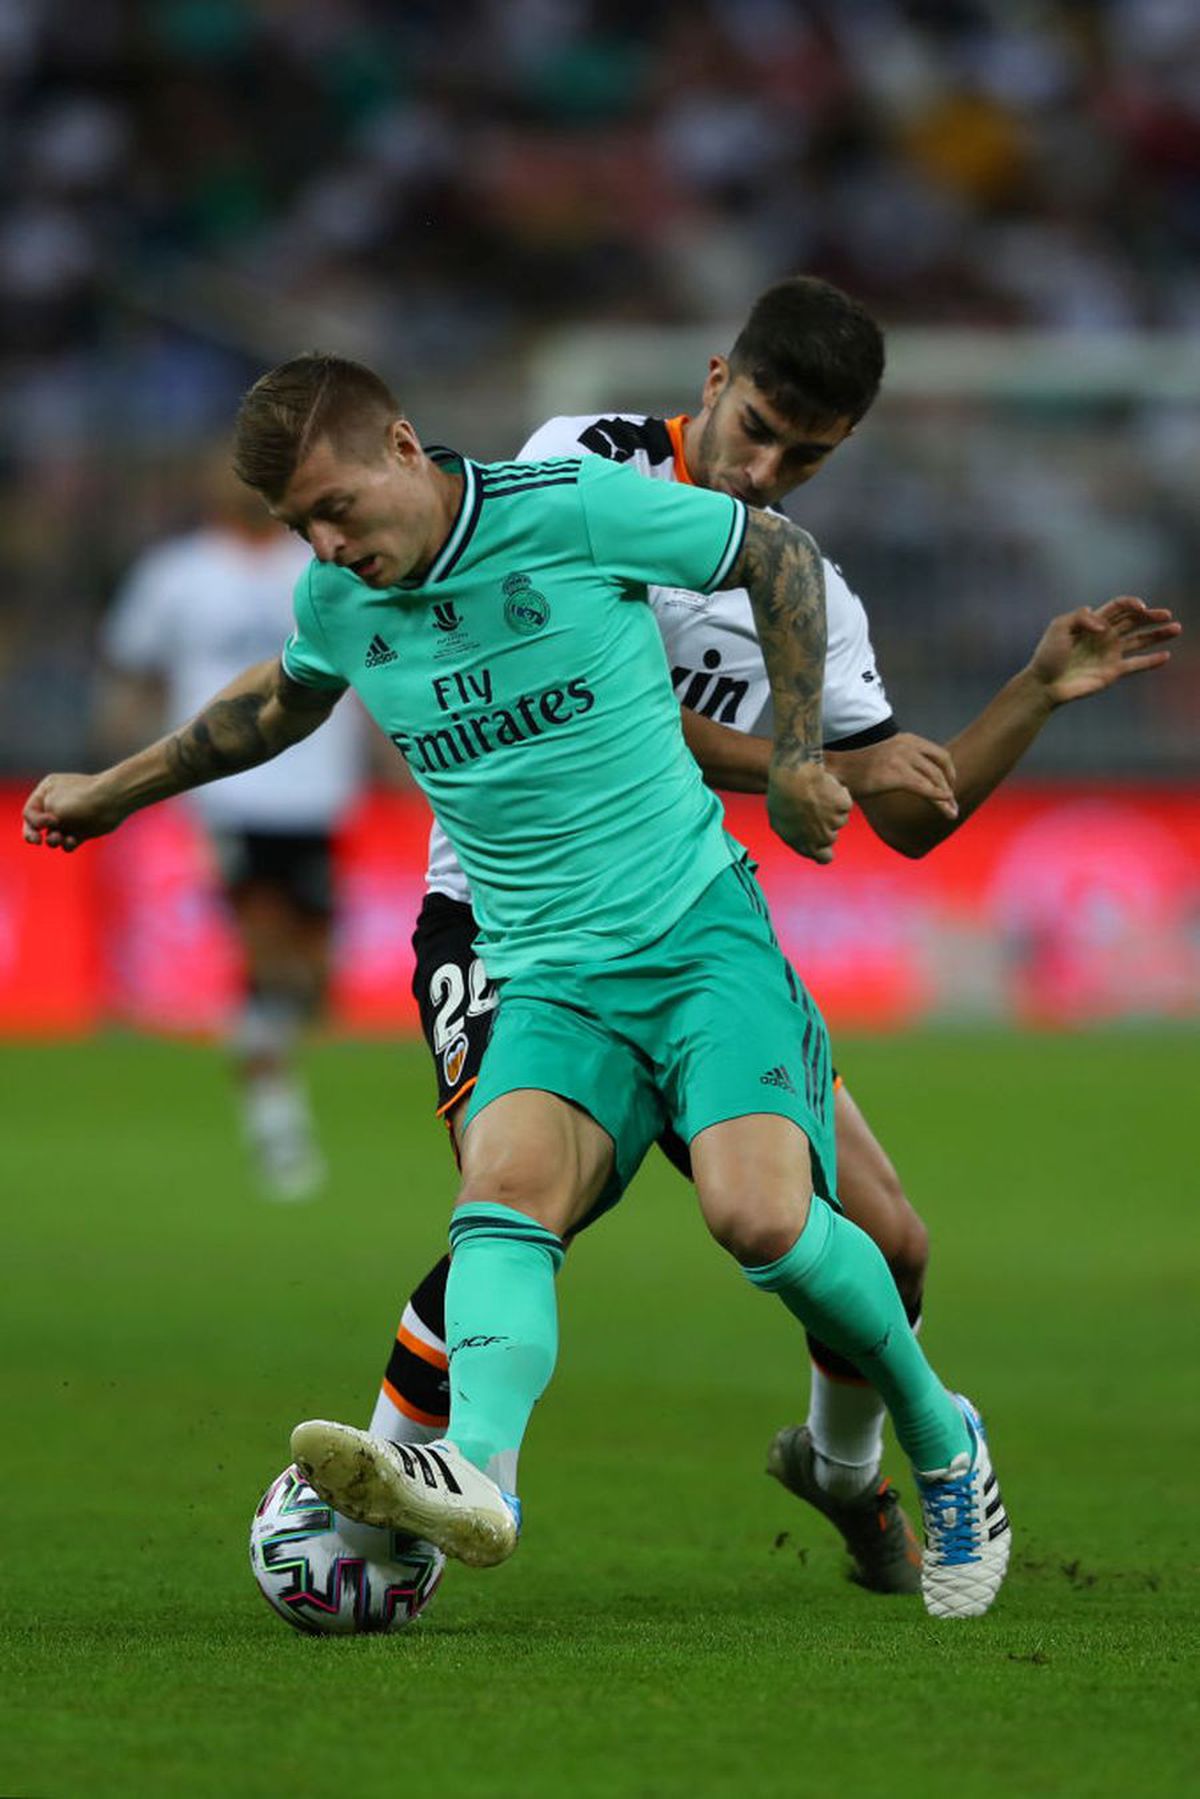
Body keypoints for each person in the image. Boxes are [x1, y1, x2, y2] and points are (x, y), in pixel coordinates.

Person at [25, 350, 1014, 1620]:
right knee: (502, 1200)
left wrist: (804, 755)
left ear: (402, 446)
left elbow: (776, 558)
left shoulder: (571, 502)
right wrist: (112, 790)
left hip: (697, 934)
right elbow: (274, 705)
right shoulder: (339, 600)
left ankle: (944, 1440)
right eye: (297, 528)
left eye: (337, 507)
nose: (327, 544)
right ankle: (475, 1473)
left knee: (758, 1218)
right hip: (544, 969)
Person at [368, 277, 1181, 1594]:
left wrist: (1034, 692)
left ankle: (841, 1467)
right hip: (504, 916)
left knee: (891, 1239)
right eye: (757, 425)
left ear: (841, 449)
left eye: (807, 452)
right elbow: (572, 702)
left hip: (681, 929)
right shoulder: (584, 465)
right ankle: (395, 1494)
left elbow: (913, 815)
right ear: (711, 378)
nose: (766, 465)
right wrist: (788, 759)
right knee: (515, 1196)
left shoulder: (809, 601)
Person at [97, 451, 368, 1199]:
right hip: (228, 793)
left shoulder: (320, 566)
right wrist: (130, 771)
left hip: (317, 790)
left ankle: (269, 1073)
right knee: (264, 948)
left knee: (311, 973)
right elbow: (133, 667)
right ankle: (275, 1121)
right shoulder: (177, 573)